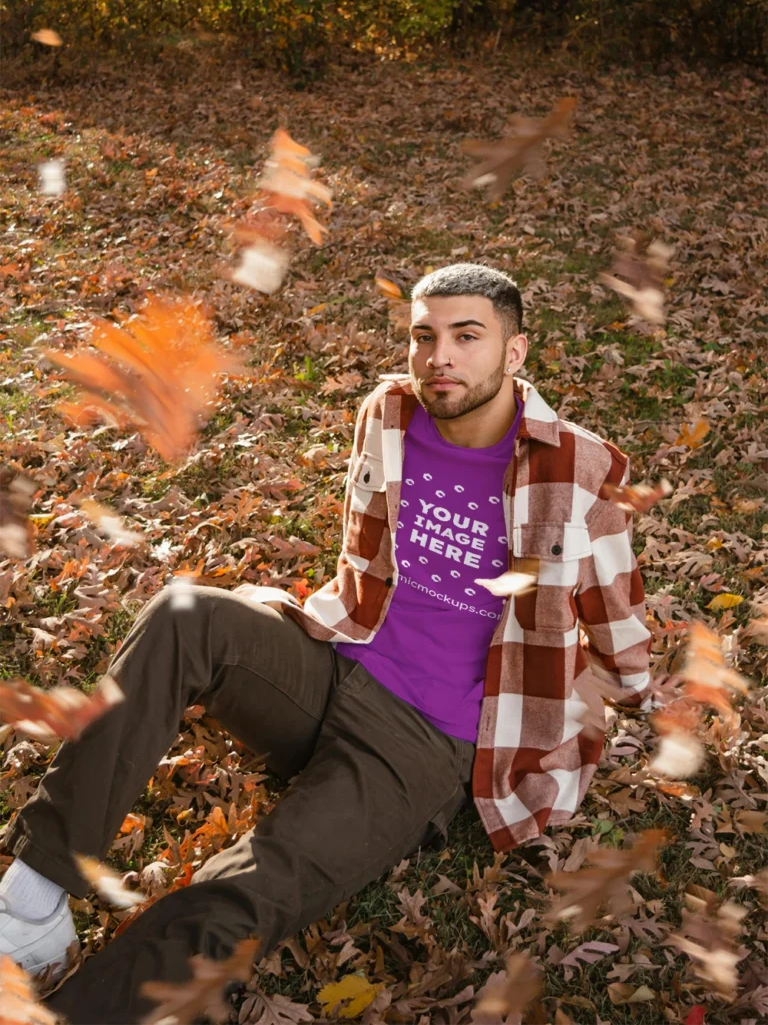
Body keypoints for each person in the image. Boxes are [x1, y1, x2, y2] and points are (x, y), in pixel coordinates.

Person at [0, 263, 651, 1023]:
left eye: (467, 337)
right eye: (424, 335)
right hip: (335, 663)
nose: (439, 355)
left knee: (246, 885)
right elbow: (364, 564)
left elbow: (623, 652)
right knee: (186, 613)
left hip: (423, 743)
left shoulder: (577, 470)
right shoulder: (390, 412)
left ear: (514, 354)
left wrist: (544, 729)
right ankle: (32, 901)